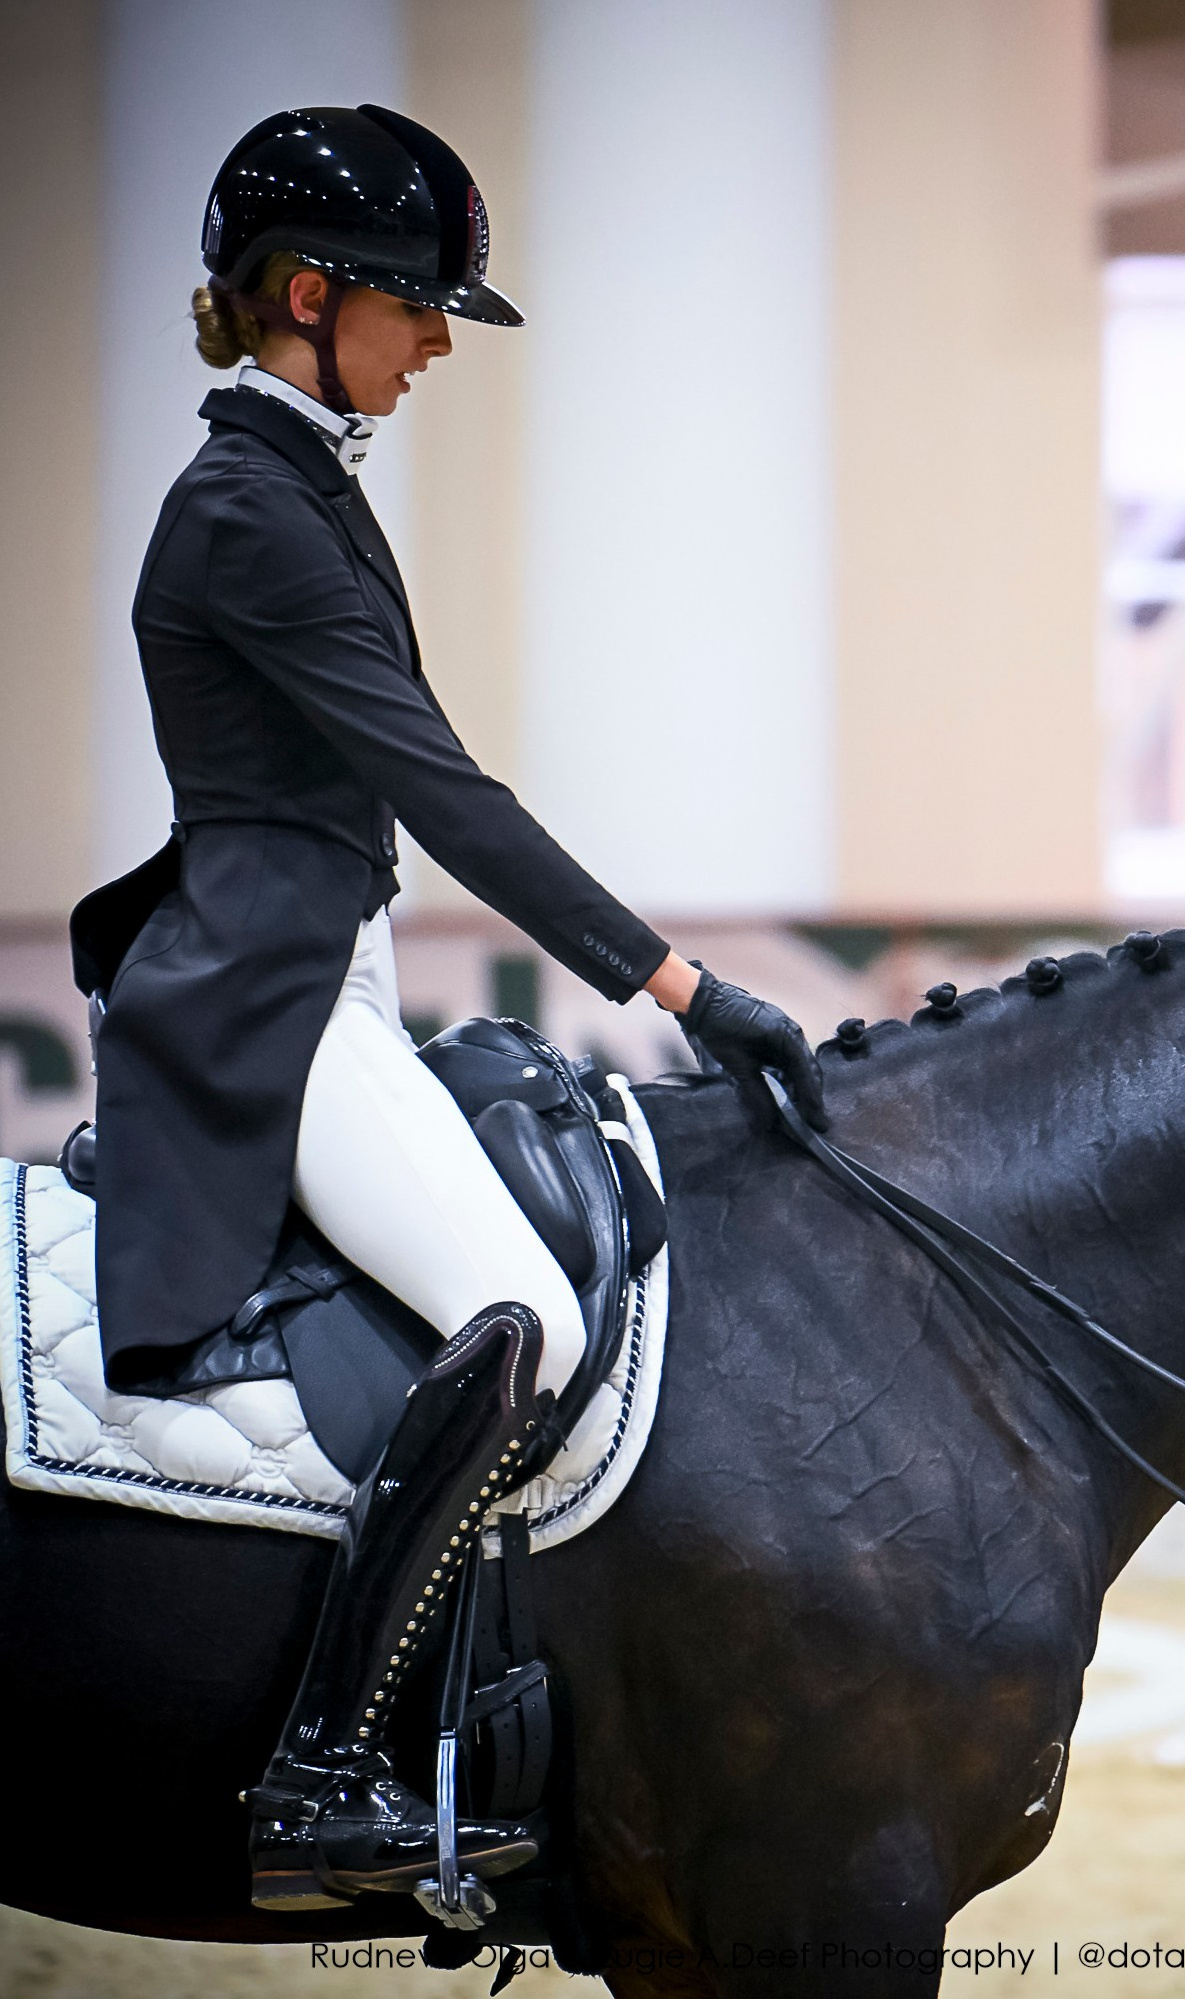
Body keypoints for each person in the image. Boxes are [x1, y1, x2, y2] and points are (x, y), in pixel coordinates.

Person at [67, 104, 828, 1914]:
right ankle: (325, 1766)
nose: (431, 350)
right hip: (265, 1006)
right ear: (307, 293)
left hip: (330, 974)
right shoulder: (246, 506)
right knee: (515, 1318)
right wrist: (681, 982)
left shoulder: (302, 476)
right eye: (415, 312)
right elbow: (448, 794)